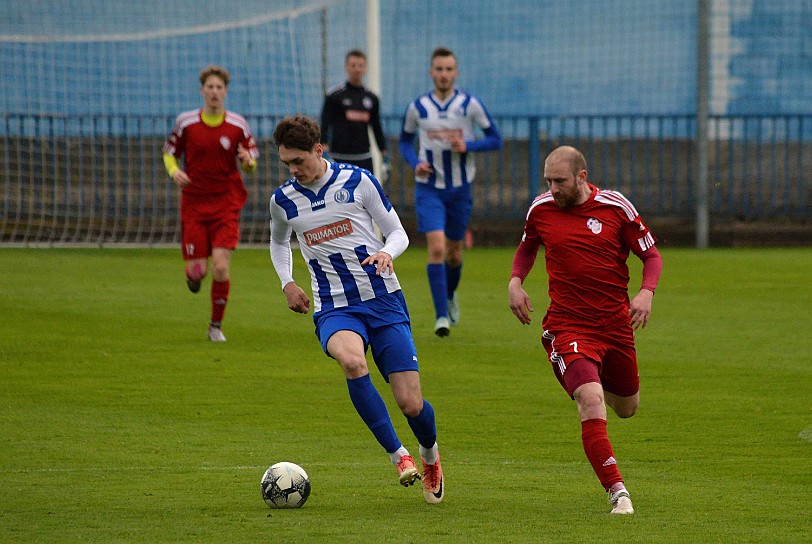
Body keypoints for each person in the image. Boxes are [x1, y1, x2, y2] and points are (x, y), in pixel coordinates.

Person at [269, 115, 444, 504]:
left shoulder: (357, 181)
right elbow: (279, 243)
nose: (294, 170)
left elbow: (398, 232)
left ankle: (429, 453)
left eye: (299, 161)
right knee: (351, 362)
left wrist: (387, 251)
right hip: (335, 307)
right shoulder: (283, 201)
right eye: (287, 164)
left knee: (411, 403)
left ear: (319, 150)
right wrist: (288, 282)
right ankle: (398, 456)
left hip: (382, 300)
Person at [508, 146, 663, 515]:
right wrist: (515, 281)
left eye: (559, 181)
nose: (552, 188)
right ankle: (617, 491)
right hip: (567, 326)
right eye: (548, 180)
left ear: (581, 176)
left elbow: (651, 255)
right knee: (591, 398)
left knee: (627, 408)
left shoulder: (615, 208)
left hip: (615, 326)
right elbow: (527, 247)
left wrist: (645, 292)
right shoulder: (541, 208)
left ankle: (589, 378)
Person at [399, 46, 502, 337]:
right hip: (429, 188)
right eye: (439, 69)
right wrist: (415, 162)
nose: (443, 75)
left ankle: (450, 295)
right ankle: (441, 317)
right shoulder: (418, 107)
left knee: (454, 254)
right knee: (437, 248)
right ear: (431, 72)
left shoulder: (470, 105)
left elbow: (495, 139)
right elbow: (405, 142)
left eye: (449, 69)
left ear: (455, 73)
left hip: (459, 189)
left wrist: (470, 146)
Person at [162, 65, 259, 342]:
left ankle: (215, 326)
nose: (215, 92)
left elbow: (251, 161)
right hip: (194, 205)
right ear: (202, 90)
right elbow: (169, 153)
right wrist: (174, 171)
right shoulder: (186, 122)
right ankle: (193, 278)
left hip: (226, 204)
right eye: (210, 87)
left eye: (219, 88)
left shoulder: (238, 125)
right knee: (197, 272)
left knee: (220, 266)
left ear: (225, 92)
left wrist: (247, 162)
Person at [320, 49, 389, 179]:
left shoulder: (372, 98)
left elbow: (376, 126)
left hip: (364, 157)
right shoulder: (334, 96)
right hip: (339, 157)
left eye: (360, 66)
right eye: (353, 65)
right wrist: (323, 147)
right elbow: (325, 123)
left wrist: (383, 153)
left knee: (366, 196)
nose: (357, 69)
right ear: (346, 67)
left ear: (365, 68)